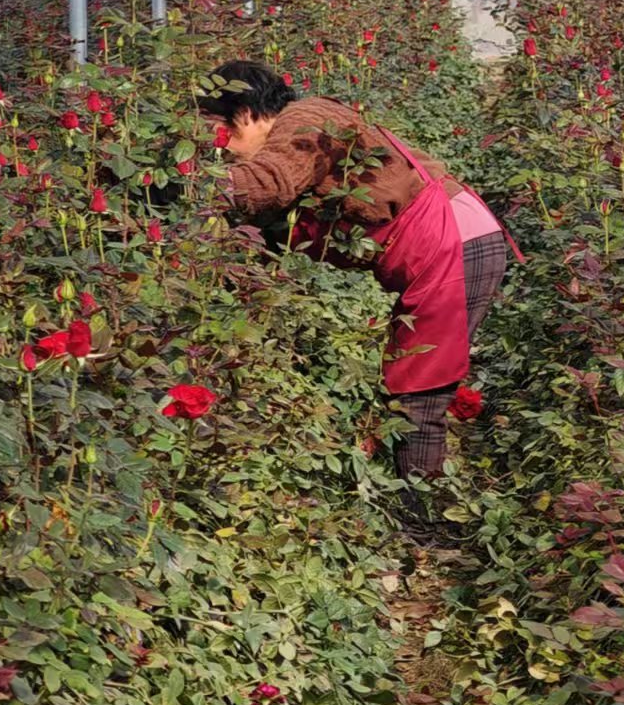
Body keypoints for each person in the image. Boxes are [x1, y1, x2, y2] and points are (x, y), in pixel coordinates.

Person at [196, 60, 512, 499]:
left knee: (418, 387)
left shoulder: (308, 120)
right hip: (443, 245)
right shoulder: (297, 134)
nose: (221, 151)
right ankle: (421, 502)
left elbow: (267, 183)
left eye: (219, 133)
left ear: (245, 113)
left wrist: (183, 184)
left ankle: (423, 515)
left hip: (452, 243)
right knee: (414, 384)